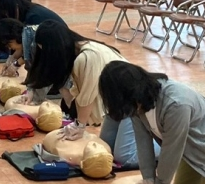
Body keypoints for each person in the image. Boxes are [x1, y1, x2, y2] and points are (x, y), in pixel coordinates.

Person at [24, 21, 138, 166]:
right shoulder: (75, 52)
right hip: (116, 105)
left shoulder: (87, 57)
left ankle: (164, 145)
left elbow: (87, 97)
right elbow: (62, 84)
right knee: (107, 148)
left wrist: (79, 125)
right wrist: (32, 90)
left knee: (124, 158)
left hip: (135, 102)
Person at [0, 0, 65, 66]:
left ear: (14, 7)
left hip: (61, 48)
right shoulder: (26, 12)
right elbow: (26, 45)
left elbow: (32, 51)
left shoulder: (32, 18)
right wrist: (12, 58)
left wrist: (16, 64)